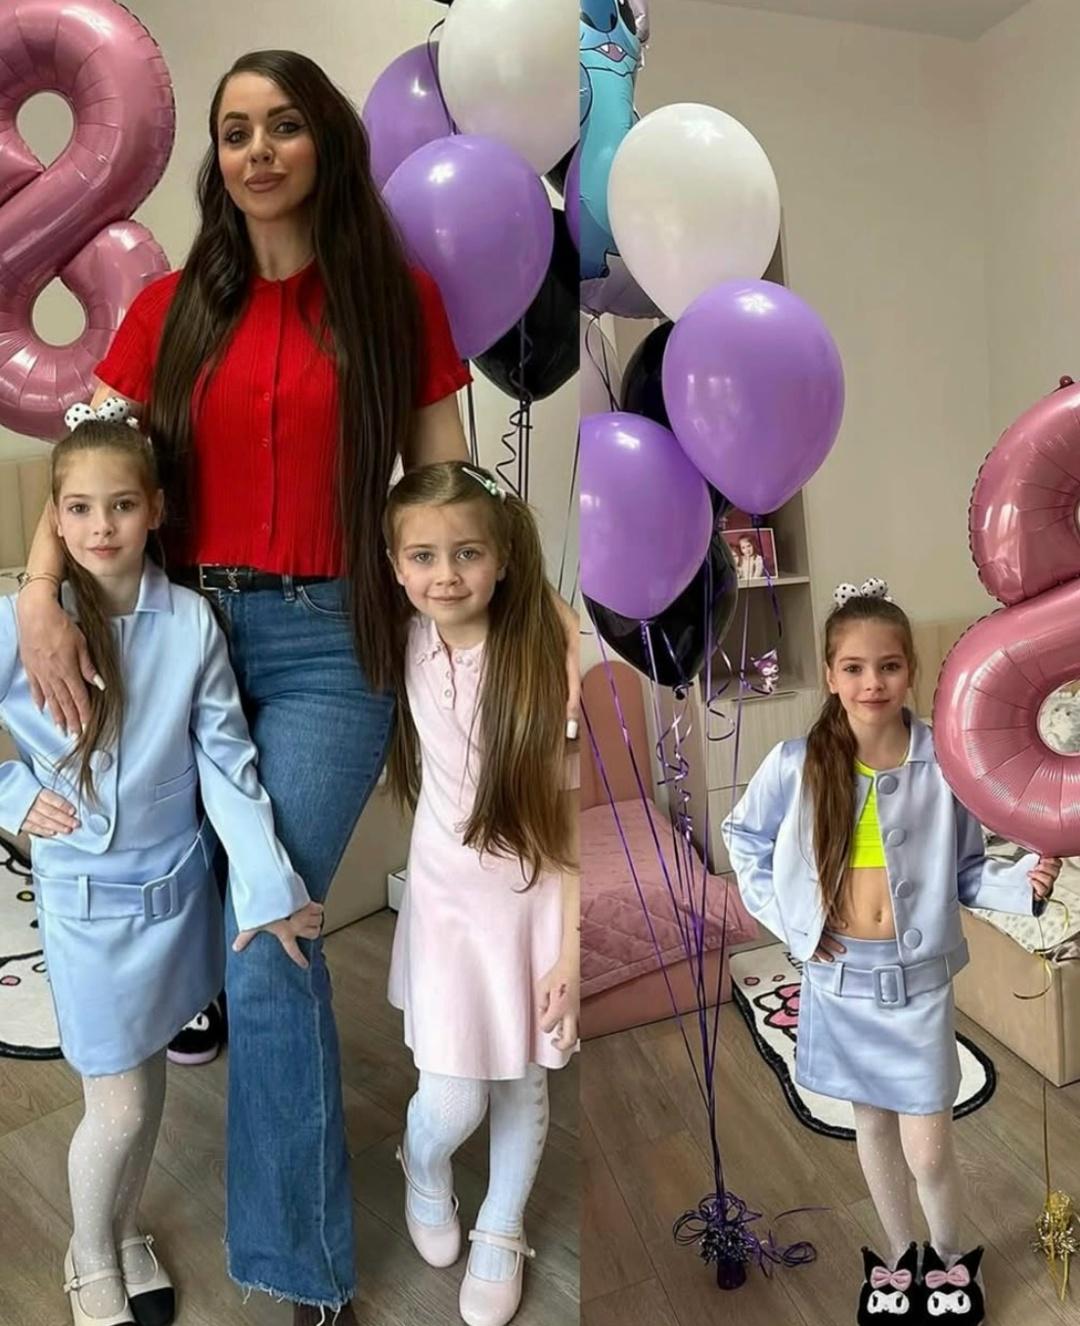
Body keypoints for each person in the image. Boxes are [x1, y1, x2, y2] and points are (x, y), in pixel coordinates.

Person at [15, 50, 578, 1324]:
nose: (257, 151)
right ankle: (106, 1214)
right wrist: (40, 591)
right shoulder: (168, 310)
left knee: (274, 932)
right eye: (234, 132)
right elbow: (88, 460)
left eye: (282, 127)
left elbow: (445, 494)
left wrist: (526, 602)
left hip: (333, 643)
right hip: (178, 640)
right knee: (176, 902)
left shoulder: (395, 302)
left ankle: (300, 1269)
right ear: (216, 159)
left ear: (325, 142)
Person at [0, 416, 322, 1326]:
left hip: (174, 897)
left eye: (121, 505)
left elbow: (226, 759)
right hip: (84, 904)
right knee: (118, 1106)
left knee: (148, 1086)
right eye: (78, 508)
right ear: (54, 518)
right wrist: (12, 794)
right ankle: (88, 1251)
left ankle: (126, 1226)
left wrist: (268, 887)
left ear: (156, 510)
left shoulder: (189, 621)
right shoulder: (19, 625)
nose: (100, 526)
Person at [722, 584, 1060, 1326]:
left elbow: (967, 871)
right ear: (830, 674)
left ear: (911, 670)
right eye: (853, 668)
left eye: (889, 666)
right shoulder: (797, 763)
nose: (871, 683)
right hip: (839, 980)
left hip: (919, 987)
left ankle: (949, 1256)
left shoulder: (947, 764)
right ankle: (901, 1256)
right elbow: (742, 839)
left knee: (929, 1149)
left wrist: (1022, 885)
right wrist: (794, 925)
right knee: (870, 1125)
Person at [383, 462, 579, 1326]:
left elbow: (569, 827)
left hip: (531, 899)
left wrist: (569, 952)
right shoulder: (403, 636)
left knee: (521, 1080)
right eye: (423, 556)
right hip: (446, 900)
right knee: (454, 1095)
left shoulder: (545, 663)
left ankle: (502, 1223)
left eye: (468, 553)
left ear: (502, 558)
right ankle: (422, 1162)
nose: (446, 574)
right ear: (396, 566)